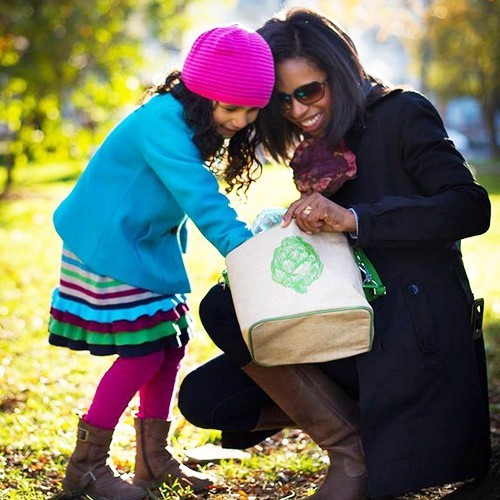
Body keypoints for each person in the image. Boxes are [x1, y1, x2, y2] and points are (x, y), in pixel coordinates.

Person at [177, 8, 492, 500]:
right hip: (347, 314)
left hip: (410, 328)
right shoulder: (317, 149)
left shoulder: (402, 112)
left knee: (225, 322)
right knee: (208, 388)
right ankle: (355, 441)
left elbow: (469, 207)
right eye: (283, 100)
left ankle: (356, 459)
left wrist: (355, 219)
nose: (298, 110)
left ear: (339, 72)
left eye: (309, 91)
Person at [47, 23, 275, 500]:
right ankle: (86, 468)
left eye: (252, 109)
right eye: (231, 108)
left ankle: (153, 461)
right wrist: (247, 253)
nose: (241, 120)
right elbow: (200, 196)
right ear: (201, 95)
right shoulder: (161, 123)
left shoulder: (189, 121)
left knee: (170, 344)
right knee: (143, 351)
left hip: (142, 244)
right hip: (107, 246)